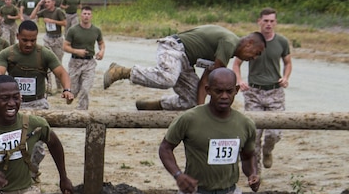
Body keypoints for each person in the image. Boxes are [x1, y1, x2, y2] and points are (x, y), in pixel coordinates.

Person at [155, 67, 260, 194]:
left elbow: (248, 156)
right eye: (218, 91)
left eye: (229, 91)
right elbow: (165, 148)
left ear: (237, 90)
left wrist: (252, 174)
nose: (224, 96)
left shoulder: (244, 124)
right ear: (208, 89)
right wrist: (178, 175)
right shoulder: (190, 119)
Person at [103, 25, 266, 110]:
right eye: (256, 53)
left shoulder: (227, 50)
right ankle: (122, 71)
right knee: (168, 78)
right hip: (174, 48)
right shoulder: (230, 43)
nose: (254, 58)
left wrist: (199, 109)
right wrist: (205, 112)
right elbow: (211, 83)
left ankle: (155, 106)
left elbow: (205, 82)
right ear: (249, 43)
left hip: (185, 60)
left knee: (191, 100)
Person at [232, 8, 292, 169]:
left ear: (276, 23)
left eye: (272, 21)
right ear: (259, 21)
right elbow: (236, 63)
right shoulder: (250, 41)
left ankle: (268, 150)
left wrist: (285, 77)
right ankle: (255, 172)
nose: (268, 24)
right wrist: (239, 81)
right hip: (254, 92)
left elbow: (288, 63)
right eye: (265, 21)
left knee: (275, 132)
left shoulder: (282, 42)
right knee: (254, 135)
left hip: (275, 92)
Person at [0, 20, 74, 111]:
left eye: (33, 40)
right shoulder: (6, 54)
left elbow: (62, 73)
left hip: (38, 103)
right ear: (17, 36)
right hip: (14, 102)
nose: (29, 44)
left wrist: (67, 90)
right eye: (25, 40)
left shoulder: (45, 53)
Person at [63, 5, 106, 111]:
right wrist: (76, 51)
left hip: (89, 63)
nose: (86, 16)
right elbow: (65, 46)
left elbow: (101, 43)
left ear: (91, 16)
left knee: (85, 89)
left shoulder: (96, 30)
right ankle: (70, 96)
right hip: (75, 62)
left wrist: (101, 51)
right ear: (80, 15)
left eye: (88, 14)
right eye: (84, 14)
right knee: (73, 90)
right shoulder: (73, 30)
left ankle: (82, 112)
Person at [32, 0, 67, 90]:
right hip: (48, 38)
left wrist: (52, 21)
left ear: (53, 3)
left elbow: (64, 23)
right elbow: (32, 16)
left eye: (48, 2)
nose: (46, 4)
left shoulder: (58, 11)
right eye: (45, 2)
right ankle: (48, 87)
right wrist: (39, 4)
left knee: (57, 63)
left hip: (57, 39)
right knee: (46, 62)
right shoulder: (44, 11)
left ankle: (59, 86)